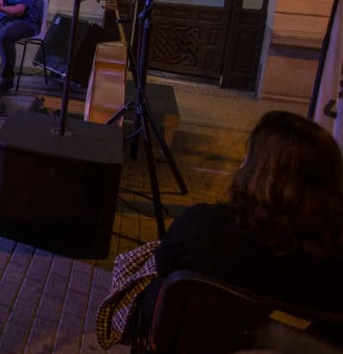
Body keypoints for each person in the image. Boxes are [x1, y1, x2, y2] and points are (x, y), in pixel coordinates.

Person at [136, 111, 343, 319]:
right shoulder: (331, 262)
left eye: (247, 158)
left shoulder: (203, 228)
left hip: (197, 345)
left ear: (257, 174)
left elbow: (163, 266)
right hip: (290, 350)